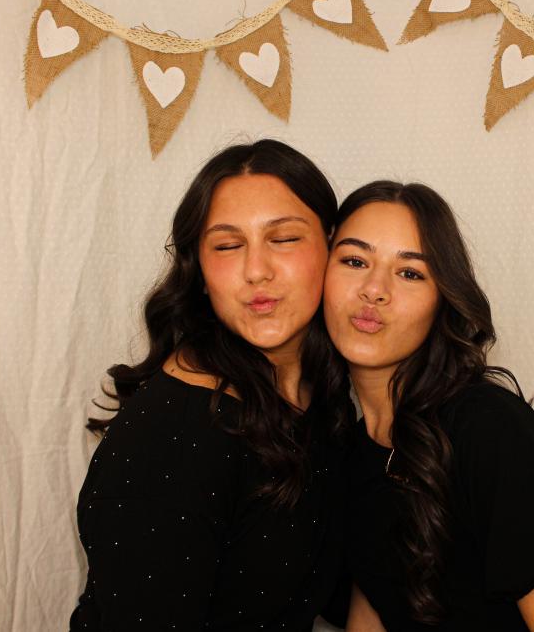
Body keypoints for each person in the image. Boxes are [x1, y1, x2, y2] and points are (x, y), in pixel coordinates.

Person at [69, 140, 352, 630]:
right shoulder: (175, 436)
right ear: (198, 271)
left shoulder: (318, 396)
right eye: (227, 246)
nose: (256, 271)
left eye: (284, 238)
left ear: (332, 248)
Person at [323, 181, 534, 631]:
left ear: (443, 301)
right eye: (355, 261)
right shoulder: (351, 448)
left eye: (410, 273)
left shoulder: (490, 428)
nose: (374, 289)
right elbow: (374, 603)